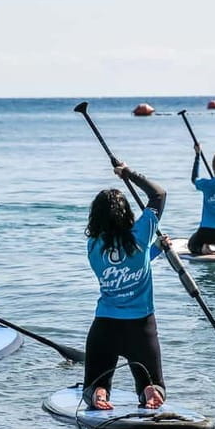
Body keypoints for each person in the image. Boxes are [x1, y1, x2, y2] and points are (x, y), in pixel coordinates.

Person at [83, 162, 168, 410]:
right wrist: (128, 174)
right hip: (141, 329)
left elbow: (125, 263)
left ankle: (99, 393)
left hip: (105, 327)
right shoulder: (141, 234)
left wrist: (156, 250)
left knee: (94, 384)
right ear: (127, 214)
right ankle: (150, 391)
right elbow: (158, 194)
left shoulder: (93, 247)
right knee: (152, 381)